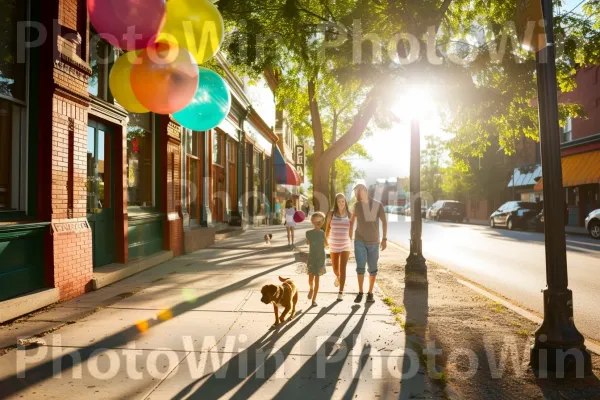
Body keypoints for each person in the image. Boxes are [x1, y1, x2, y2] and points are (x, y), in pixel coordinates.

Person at [349, 181, 387, 303]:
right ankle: (360, 292)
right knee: (360, 267)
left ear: (365, 191)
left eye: (359, 191)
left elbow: (384, 222)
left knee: (373, 268)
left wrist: (384, 239)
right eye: (356, 193)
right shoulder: (356, 206)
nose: (358, 194)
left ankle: (370, 293)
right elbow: (351, 221)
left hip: (374, 241)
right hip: (359, 240)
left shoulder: (377, 204)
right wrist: (349, 239)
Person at [325, 193, 352, 301]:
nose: (341, 203)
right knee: (336, 269)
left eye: (343, 201)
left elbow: (351, 231)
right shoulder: (331, 214)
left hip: (346, 244)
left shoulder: (350, 214)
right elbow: (327, 229)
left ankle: (340, 292)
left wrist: (352, 242)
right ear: (336, 202)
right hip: (334, 244)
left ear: (345, 202)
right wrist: (325, 240)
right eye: (339, 201)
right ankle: (339, 277)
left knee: (343, 268)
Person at [305, 212, 327, 307]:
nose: (318, 222)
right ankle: (311, 289)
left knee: (317, 280)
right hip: (312, 258)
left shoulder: (322, 233)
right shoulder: (309, 233)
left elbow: (326, 244)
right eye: (316, 220)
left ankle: (314, 300)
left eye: (320, 220)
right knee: (310, 279)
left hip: (320, 258)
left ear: (322, 222)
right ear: (312, 221)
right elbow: (308, 243)